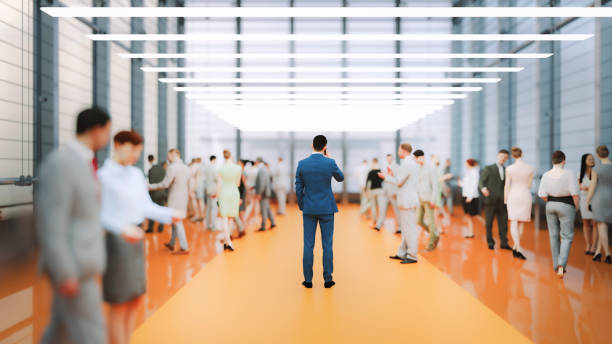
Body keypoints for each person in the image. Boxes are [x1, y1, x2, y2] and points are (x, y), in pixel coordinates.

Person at [98, 131, 182, 344]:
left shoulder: (135, 175)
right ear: (117, 144)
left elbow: (145, 206)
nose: (136, 155)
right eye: (133, 149)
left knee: (134, 300)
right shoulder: (104, 176)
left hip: (136, 239)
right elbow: (99, 214)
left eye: (139, 151)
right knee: (119, 303)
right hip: (116, 241)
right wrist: (121, 228)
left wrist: (168, 214)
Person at [36, 107, 111, 344]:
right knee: (92, 334)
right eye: (108, 131)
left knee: (60, 334)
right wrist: (64, 271)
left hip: (84, 263)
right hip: (74, 268)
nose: (108, 137)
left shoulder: (85, 162)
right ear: (97, 129)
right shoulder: (61, 164)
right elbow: (51, 223)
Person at [296, 135, 344, 288]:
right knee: (327, 244)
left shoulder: (302, 164)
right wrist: (329, 158)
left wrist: (302, 205)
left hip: (309, 208)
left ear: (312, 145)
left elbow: (298, 188)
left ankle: (308, 280)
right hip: (327, 208)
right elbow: (341, 178)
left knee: (308, 245)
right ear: (325, 147)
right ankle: (328, 279)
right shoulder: (330, 162)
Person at [538, 150, 579, 278]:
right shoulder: (569, 174)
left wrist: (552, 201)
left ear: (552, 161)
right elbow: (575, 194)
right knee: (566, 236)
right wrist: (575, 208)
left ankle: (556, 265)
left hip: (550, 205)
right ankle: (562, 265)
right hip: (566, 205)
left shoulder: (546, 174)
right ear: (564, 161)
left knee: (553, 236)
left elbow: (542, 195)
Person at [378, 143, 420, 264]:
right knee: (406, 228)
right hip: (409, 199)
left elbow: (399, 181)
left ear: (404, 150)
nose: (397, 153)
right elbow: (403, 179)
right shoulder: (412, 163)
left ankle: (412, 255)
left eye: (399, 150)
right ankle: (402, 253)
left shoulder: (407, 163)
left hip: (407, 200)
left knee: (409, 229)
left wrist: (385, 177)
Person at [149, 148, 191, 254]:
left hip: (175, 198)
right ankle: (172, 243)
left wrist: (150, 186)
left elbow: (165, 184)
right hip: (183, 197)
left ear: (173, 155)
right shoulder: (186, 168)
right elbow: (189, 184)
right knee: (175, 220)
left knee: (177, 221)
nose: (167, 158)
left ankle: (184, 247)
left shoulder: (172, 168)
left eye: (168, 156)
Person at [504, 147, 534, 260]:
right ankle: (517, 248)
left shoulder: (509, 168)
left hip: (513, 195)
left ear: (512, 156)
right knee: (521, 221)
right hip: (525, 195)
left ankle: (517, 247)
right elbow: (529, 185)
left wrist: (505, 200)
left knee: (513, 220)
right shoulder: (530, 168)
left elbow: (507, 186)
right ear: (522, 154)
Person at [480, 149, 511, 251]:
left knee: (504, 223)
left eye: (505, 157)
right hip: (491, 200)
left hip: (503, 201)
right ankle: (490, 242)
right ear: (498, 156)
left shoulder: (507, 170)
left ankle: (504, 242)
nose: (503, 158)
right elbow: (481, 182)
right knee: (489, 222)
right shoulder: (488, 168)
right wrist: (483, 189)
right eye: (502, 156)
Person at [586, 145, 612, 264]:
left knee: (601, 226)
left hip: (599, 198)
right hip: (610, 198)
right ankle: (597, 252)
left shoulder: (596, 168)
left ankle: (607, 254)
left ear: (598, 155)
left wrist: (587, 200)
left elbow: (592, 186)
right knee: (604, 224)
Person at [216, 149, 244, 251]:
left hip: (224, 193)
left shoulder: (221, 168)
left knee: (224, 218)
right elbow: (238, 184)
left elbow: (219, 184)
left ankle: (228, 241)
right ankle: (227, 242)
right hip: (234, 192)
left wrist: (217, 197)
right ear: (231, 156)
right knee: (231, 218)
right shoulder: (238, 168)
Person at [413, 150, 440, 251]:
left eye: (416, 158)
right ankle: (435, 235)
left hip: (429, 199)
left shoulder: (431, 168)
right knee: (418, 221)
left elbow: (435, 186)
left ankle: (431, 243)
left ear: (421, 157)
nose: (415, 160)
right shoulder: (418, 168)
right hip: (420, 199)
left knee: (431, 222)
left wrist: (433, 200)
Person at [374, 154, 400, 232]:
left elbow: (398, 180)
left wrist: (397, 192)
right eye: (387, 159)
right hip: (385, 191)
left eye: (390, 158)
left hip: (393, 191)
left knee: (396, 210)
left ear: (393, 159)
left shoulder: (397, 168)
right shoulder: (385, 168)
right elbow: (384, 179)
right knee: (382, 208)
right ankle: (379, 225)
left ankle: (400, 227)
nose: (389, 160)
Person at [578, 153, 597, 255]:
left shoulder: (596, 172)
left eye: (593, 159)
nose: (592, 160)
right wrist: (587, 188)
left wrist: (588, 188)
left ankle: (594, 246)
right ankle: (588, 244)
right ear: (584, 161)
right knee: (586, 224)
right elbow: (579, 186)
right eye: (589, 159)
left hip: (595, 199)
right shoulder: (580, 174)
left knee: (595, 224)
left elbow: (594, 187)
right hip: (584, 200)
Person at [146, 160, 168, 233]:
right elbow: (166, 183)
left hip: (153, 193)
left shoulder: (151, 170)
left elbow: (150, 181)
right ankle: (161, 227)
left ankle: (151, 227)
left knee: (152, 210)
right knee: (162, 210)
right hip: (162, 193)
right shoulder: (164, 171)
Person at [460, 159, 480, 238]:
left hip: (471, 197)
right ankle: (470, 233)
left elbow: (474, 185)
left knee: (472, 215)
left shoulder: (474, 172)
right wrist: (460, 183)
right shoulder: (468, 172)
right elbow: (466, 184)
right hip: (465, 195)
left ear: (469, 163)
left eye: (466, 163)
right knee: (469, 216)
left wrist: (470, 197)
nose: (465, 164)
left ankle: (471, 232)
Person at [255, 158, 276, 231]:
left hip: (263, 193)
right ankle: (273, 222)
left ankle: (263, 226)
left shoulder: (261, 170)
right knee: (267, 208)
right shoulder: (265, 169)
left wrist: (259, 193)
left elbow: (262, 183)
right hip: (266, 192)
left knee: (263, 210)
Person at [366, 158, 383, 228]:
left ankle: (374, 220)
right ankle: (381, 220)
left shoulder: (370, 172)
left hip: (372, 190)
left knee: (373, 206)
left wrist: (366, 190)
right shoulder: (380, 171)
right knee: (381, 206)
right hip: (379, 190)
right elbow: (383, 180)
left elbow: (367, 182)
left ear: (373, 162)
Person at [203, 155, 219, 231]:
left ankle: (207, 224)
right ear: (214, 159)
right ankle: (213, 226)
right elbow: (216, 179)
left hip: (208, 189)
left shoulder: (206, 168)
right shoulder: (214, 168)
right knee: (214, 209)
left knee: (209, 208)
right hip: (213, 190)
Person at [188, 158, 205, 222]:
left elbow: (194, 178)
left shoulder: (192, 167)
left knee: (195, 201)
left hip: (194, 185)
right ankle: (202, 215)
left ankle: (197, 215)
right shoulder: (201, 166)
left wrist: (193, 188)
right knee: (200, 201)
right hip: (200, 186)